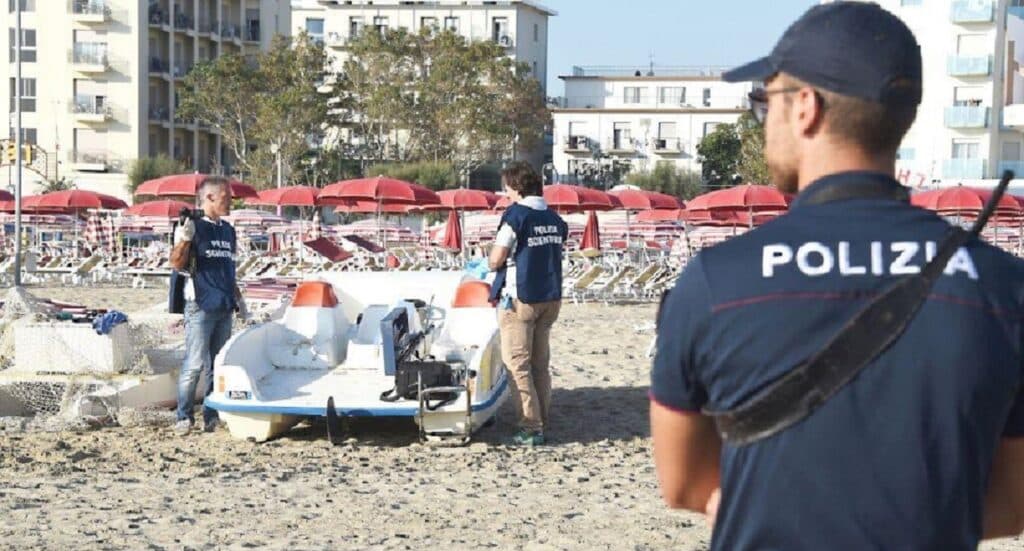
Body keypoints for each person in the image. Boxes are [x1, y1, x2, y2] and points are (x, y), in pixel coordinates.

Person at [650, 3, 1024, 550]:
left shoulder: (716, 281)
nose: (764, 122)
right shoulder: (1000, 287)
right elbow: (1012, 501)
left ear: (806, 108)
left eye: (764, 101)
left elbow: (682, 482)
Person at [489, 161, 568, 446]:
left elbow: (497, 258)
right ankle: (542, 418)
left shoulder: (516, 215)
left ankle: (530, 426)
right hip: (551, 296)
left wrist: (488, 261)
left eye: (507, 188)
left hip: (521, 297)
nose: (506, 193)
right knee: (539, 364)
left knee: (517, 364)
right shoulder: (554, 217)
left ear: (517, 187)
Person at [169, 176, 247, 436]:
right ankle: (184, 416)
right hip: (200, 305)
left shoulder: (228, 230)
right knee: (193, 365)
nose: (230, 202)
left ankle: (211, 415)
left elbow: (229, 269)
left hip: (224, 305)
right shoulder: (191, 226)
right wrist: (184, 240)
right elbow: (177, 264)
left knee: (218, 364)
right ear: (209, 198)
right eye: (226, 197)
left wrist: (240, 300)